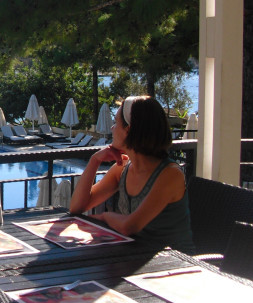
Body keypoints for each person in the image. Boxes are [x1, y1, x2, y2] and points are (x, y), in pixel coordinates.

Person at [69, 95, 195, 254]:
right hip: (135, 256)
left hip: (174, 263)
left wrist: (105, 217)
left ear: (128, 131)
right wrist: (95, 160)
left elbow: (130, 226)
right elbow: (77, 207)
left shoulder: (170, 174)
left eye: (116, 123)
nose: (112, 128)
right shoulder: (123, 168)